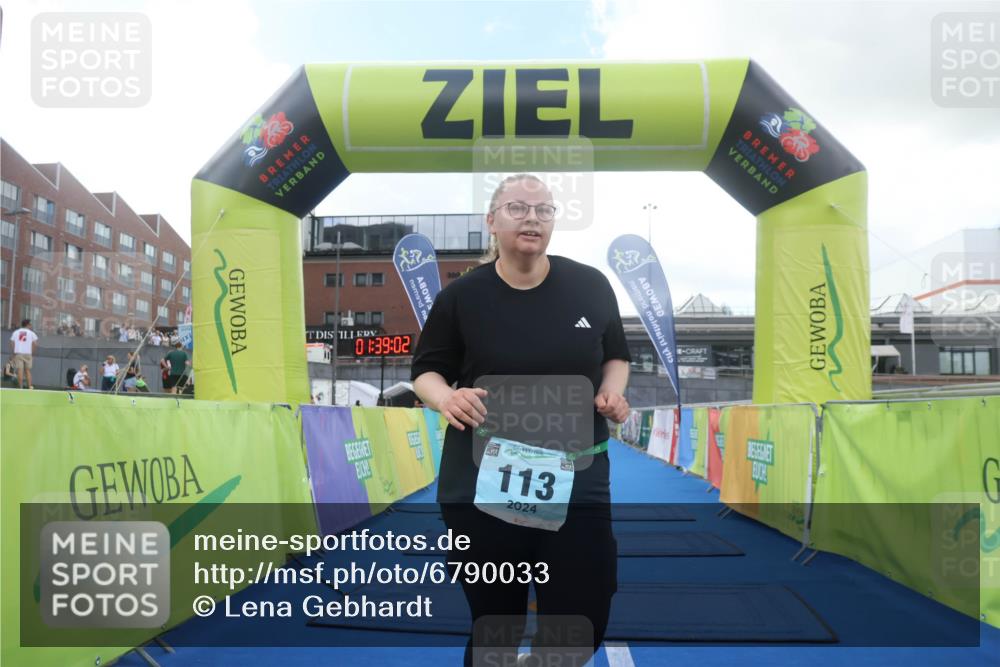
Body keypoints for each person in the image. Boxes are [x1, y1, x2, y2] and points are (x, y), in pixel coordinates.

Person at [411, 174, 631, 666]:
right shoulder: (461, 297)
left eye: (544, 210)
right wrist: (447, 398)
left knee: (582, 624)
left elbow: (617, 355)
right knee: (497, 626)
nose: (532, 218)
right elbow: (426, 371)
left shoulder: (591, 286)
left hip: (578, 480)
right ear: (491, 221)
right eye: (518, 208)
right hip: (482, 481)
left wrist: (613, 391)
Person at [9, 318, 39, 389]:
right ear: (28, 325)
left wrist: (14, 351)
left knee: (20, 370)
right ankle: (29, 387)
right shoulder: (31, 333)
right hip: (28, 353)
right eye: (30, 324)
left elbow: (12, 342)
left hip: (18, 353)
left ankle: (20, 387)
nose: (31, 326)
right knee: (27, 370)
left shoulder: (16, 332)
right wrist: (32, 352)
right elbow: (35, 344)